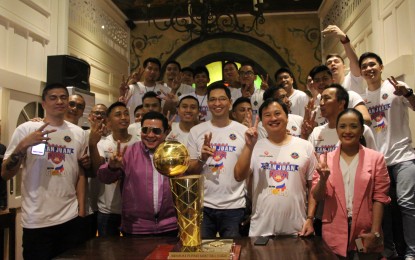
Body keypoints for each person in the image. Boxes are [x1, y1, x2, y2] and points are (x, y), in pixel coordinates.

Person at [2, 83, 87, 259]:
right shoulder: (26, 129)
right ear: (43, 103)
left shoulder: (79, 133)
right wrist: (23, 145)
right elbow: (5, 173)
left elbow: (80, 173)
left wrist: (81, 212)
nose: (59, 101)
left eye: (63, 97)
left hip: (70, 219)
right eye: (53, 97)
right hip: (37, 220)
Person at [312, 108, 390, 259]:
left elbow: (380, 198)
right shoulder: (325, 159)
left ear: (362, 130)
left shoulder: (376, 159)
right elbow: (317, 196)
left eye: (353, 126)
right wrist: (323, 179)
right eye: (342, 126)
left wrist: (375, 232)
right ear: (337, 129)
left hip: (364, 232)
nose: (347, 131)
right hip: (334, 231)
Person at [359, 52, 415, 260]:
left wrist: (408, 93)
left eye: (372, 64)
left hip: (404, 157)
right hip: (378, 162)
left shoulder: (396, 87)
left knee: (407, 204)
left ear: (381, 67)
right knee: (382, 209)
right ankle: (388, 249)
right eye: (364, 66)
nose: (368, 69)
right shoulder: (362, 98)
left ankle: (412, 252)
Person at [234, 99, 316, 237]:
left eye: (277, 113)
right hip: (261, 230)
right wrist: (248, 146)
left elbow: (312, 185)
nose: (273, 118)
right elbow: (238, 176)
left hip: (297, 229)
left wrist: (310, 219)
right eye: (267, 115)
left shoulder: (305, 146)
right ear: (261, 121)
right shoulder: (255, 146)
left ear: (287, 116)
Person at [97, 111, 178, 237]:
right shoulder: (128, 152)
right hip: (136, 228)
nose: (150, 135)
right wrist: (112, 167)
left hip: (170, 226)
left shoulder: (175, 153)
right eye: (145, 130)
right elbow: (104, 178)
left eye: (156, 131)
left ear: (166, 132)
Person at [187, 83, 247, 239]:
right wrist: (202, 158)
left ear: (230, 102)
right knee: (202, 254)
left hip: (234, 206)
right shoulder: (196, 131)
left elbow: (246, 172)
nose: (217, 103)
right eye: (213, 100)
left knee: (234, 253)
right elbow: (190, 171)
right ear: (207, 104)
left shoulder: (243, 132)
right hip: (203, 206)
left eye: (222, 99)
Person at [90, 102, 140, 237]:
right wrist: (92, 145)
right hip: (108, 211)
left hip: (133, 211)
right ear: (108, 122)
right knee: (108, 253)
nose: (124, 117)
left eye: (126, 114)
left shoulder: (138, 143)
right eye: (118, 115)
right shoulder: (102, 144)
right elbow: (96, 170)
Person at [120, 57, 170, 122]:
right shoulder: (133, 88)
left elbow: (168, 112)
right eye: (149, 68)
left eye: (156, 69)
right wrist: (121, 94)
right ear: (144, 70)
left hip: (157, 128)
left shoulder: (165, 90)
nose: (152, 72)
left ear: (159, 73)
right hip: (135, 127)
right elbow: (122, 106)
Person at [322, 25, 366, 96]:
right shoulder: (327, 90)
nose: (333, 64)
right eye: (329, 63)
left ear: (344, 67)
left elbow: (353, 60)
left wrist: (343, 38)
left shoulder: (353, 78)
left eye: (336, 61)